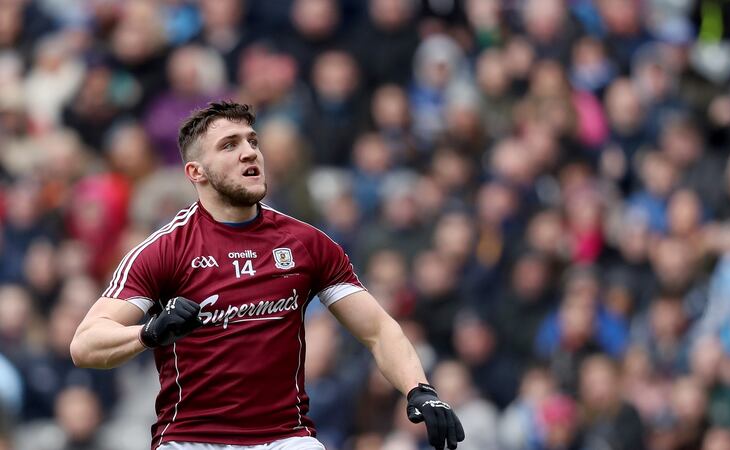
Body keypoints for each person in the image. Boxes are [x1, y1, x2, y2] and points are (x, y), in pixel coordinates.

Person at [69, 102, 465, 450]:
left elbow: (378, 329)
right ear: (196, 171)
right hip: (189, 438)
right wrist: (149, 333)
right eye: (230, 145)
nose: (249, 153)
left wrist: (421, 389)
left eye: (252, 141)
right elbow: (85, 345)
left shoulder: (307, 243)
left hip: (285, 438)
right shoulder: (165, 249)